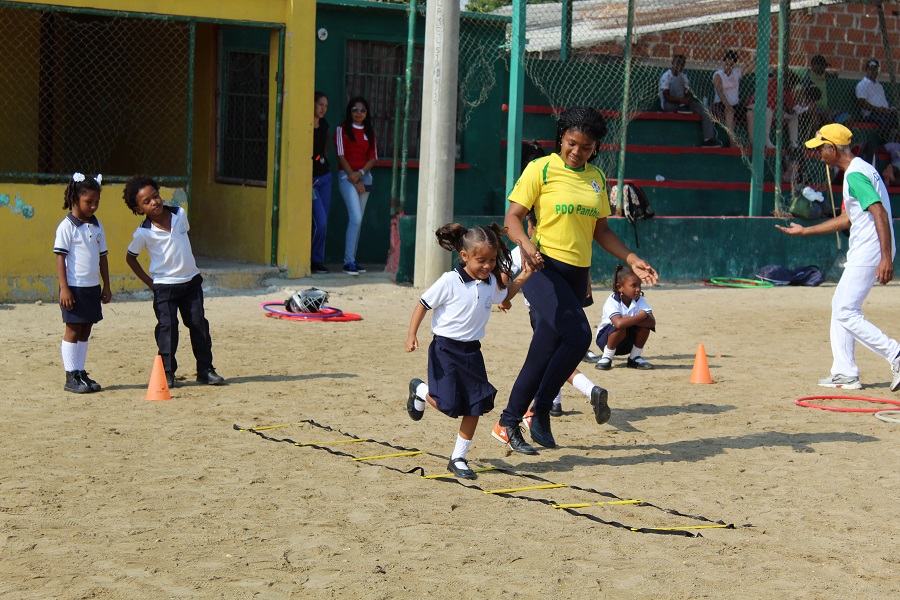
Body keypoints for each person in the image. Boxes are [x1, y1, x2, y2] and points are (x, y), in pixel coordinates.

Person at [493, 106, 659, 455]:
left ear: (595, 147)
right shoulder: (541, 169)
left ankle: (511, 421)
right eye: (571, 143)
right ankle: (536, 410)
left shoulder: (597, 178)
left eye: (585, 146)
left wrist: (632, 259)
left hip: (575, 274)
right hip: (542, 266)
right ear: (561, 139)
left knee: (543, 351)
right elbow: (512, 218)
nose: (577, 151)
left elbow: (601, 231)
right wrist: (524, 245)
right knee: (580, 335)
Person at [776, 123, 900, 391]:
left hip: (870, 250)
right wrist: (806, 231)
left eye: (821, 148)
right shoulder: (860, 171)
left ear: (832, 148)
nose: (819, 153)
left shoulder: (855, 175)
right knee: (840, 306)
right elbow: (848, 218)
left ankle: (895, 354)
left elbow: (878, 212)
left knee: (845, 310)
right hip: (867, 249)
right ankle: (845, 372)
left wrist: (886, 258)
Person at [405, 223, 532, 479]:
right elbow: (423, 304)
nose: (487, 266)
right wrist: (412, 334)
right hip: (445, 350)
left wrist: (526, 274)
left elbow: (504, 296)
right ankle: (419, 390)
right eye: (481, 260)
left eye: (492, 260)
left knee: (474, 406)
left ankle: (458, 458)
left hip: (473, 353)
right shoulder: (449, 280)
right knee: (447, 405)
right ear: (465, 256)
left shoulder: (490, 282)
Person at [499, 209, 608, 419]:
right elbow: (505, 276)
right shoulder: (535, 250)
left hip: (543, 312)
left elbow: (504, 278)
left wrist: (505, 297)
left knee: (549, 356)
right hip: (554, 308)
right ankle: (558, 401)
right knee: (554, 355)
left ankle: (586, 391)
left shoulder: (536, 251)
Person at [123, 176, 225, 389]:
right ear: (138, 208)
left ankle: (205, 370)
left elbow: (183, 237)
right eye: (147, 201)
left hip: (191, 283)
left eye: (156, 196)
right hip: (164, 288)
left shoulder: (180, 214)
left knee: (199, 325)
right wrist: (151, 283)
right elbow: (130, 257)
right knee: (168, 328)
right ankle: (167, 373)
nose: (154, 202)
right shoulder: (143, 232)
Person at [53, 172, 110, 394]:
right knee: (73, 330)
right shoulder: (66, 226)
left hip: (91, 287)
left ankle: (80, 371)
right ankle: (70, 376)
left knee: (86, 329)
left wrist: (106, 285)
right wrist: (64, 288)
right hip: (74, 287)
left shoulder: (97, 226)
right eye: (89, 202)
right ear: (75, 199)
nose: (94, 206)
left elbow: (103, 256)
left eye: (97, 202)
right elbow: (60, 258)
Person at [335, 96, 377, 276]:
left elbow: (373, 158)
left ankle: (352, 260)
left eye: (362, 110)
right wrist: (354, 177)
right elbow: (340, 155)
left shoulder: (370, 132)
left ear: (367, 113)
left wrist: (360, 175)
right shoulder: (341, 129)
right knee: (356, 218)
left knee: (357, 221)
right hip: (346, 176)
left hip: (365, 178)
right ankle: (348, 262)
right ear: (349, 111)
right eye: (355, 109)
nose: (358, 113)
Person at [594, 264, 656, 370]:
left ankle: (634, 357)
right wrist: (642, 316)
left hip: (626, 342)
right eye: (633, 285)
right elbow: (618, 323)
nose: (638, 289)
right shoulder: (612, 301)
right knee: (621, 326)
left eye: (639, 285)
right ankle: (607, 357)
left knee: (645, 327)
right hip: (605, 340)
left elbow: (651, 323)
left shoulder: (639, 299)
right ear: (620, 287)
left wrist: (628, 320)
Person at [659, 54, 722, 147]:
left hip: (683, 104)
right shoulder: (666, 76)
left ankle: (708, 139)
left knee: (705, 109)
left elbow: (686, 93)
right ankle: (682, 107)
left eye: (682, 64)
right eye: (678, 63)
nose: (680, 66)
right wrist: (680, 100)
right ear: (672, 63)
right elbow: (666, 95)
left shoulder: (684, 77)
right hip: (670, 104)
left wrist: (686, 100)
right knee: (678, 78)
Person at [746, 72, 802, 149]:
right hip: (756, 106)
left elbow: (791, 105)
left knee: (794, 117)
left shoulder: (787, 89)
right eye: (791, 84)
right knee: (769, 111)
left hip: (773, 111)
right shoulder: (771, 82)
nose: (792, 87)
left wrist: (793, 110)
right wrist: (782, 112)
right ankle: (766, 139)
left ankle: (793, 143)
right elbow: (768, 103)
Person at [311, 91, 332, 275]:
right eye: (320, 105)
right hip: (310, 181)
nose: (323, 109)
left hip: (325, 177)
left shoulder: (324, 125)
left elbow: (324, 148)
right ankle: (310, 259)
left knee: (324, 220)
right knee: (321, 222)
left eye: (326, 106)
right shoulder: (307, 125)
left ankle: (317, 260)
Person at [856, 59, 898, 143]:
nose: (873, 71)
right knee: (887, 119)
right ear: (866, 70)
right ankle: (885, 142)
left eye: (874, 69)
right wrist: (878, 109)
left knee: (895, 116)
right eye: (870, 69)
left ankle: (894, 141)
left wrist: (886, 109)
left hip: (885, 112)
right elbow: (862, 103)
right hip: (871, 114)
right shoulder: (862, 84)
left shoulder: (879, 85)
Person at [711, 50, 746, 148]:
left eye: (731, 65)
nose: (728, 67)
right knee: (729, 112)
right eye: (726, 64)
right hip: (721, 104)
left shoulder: (736, 73)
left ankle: (752, 142)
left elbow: (750, 67)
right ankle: (732, 142)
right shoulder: (718, 74)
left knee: (750, 113)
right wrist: (727, 105)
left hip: (736, 104)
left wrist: (742, 58)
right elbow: (719, 91)